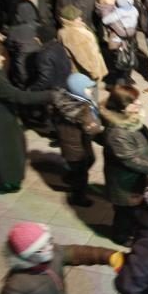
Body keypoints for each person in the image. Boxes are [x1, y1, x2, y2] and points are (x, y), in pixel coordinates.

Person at [0, 37, 53, 193]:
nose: (3, 57)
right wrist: (51, 95)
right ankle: (9, 182)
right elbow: (20, 97)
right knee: (7, 153)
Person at [100, 85, 148, 245]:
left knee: (135, 210)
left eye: (136, 99)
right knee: (125, 213)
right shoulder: (117, 133)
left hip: (136, 179)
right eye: (132, 102)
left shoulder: (131, 119)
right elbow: (133, 161)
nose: (139, 103)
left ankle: (132, 228)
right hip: (124, 184)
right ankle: (120, 237)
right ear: (121, 109)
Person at [52, 74, 103, 207]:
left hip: (72, 142)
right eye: (87, 88)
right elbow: (93, 129)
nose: (91, 91)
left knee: (89, 161)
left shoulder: (65, 101)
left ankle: (70, 177)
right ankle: (78, 197)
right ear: (78, 90)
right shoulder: (81, 111)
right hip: (76, 148)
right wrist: (100, 125)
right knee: (81, 174)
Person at [57, 5, 108, 94]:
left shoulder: (70, 29)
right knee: (89, 94)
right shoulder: (73, 34)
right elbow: (81, 57)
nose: (80, 18)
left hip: (87, 70)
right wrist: (94, 72)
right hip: (85, 72)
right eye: (77, 17)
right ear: (70, 20)